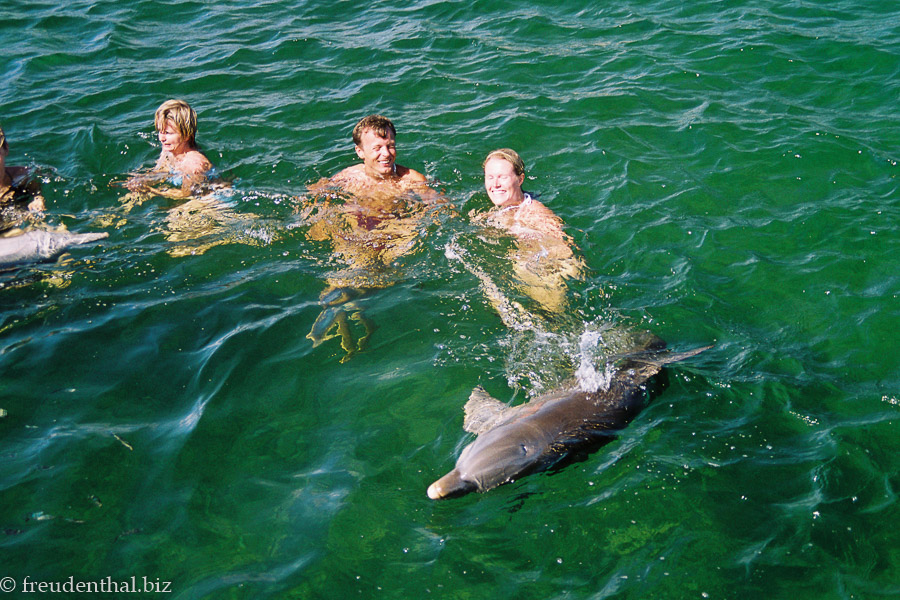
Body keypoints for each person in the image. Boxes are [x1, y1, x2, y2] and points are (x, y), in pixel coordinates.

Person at [301, 115, 439, 361]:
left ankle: (347, 332)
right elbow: (314, 195)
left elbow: (439, 204)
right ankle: (356, 328)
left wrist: (423, 220)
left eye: (391, 145)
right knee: (335, 291)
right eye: (377, 148)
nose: (386, 154)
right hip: (358, 237)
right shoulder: (347, 178)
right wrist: (317, 220)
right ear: (360, 151)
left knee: (348, 288)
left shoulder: (410, 180)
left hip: (394, 238)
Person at [472, 148, 583, 315]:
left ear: (520, 179)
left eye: (502, 177)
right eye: (490, 177)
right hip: (523, 270)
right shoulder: (499, 212)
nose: (495, 184)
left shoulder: (535, 214)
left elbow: (565, 250)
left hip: (542, 272)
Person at [124, 99, 215, 199]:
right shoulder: (169, 148)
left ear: (186, 135)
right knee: (131, 197)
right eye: (160, 131)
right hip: (194, 197)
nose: (162, 138)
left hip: (213, 199)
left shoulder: (193, 165)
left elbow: (185, 195)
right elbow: (164, 170)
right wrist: (142, 180)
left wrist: (150, 190)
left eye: (168, 133)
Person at [0, 124, 46, 233]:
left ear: (6, 148)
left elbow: (37, 183)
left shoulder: (22, 175)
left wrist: (38, 199)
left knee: (60, 231)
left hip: (21, 227)